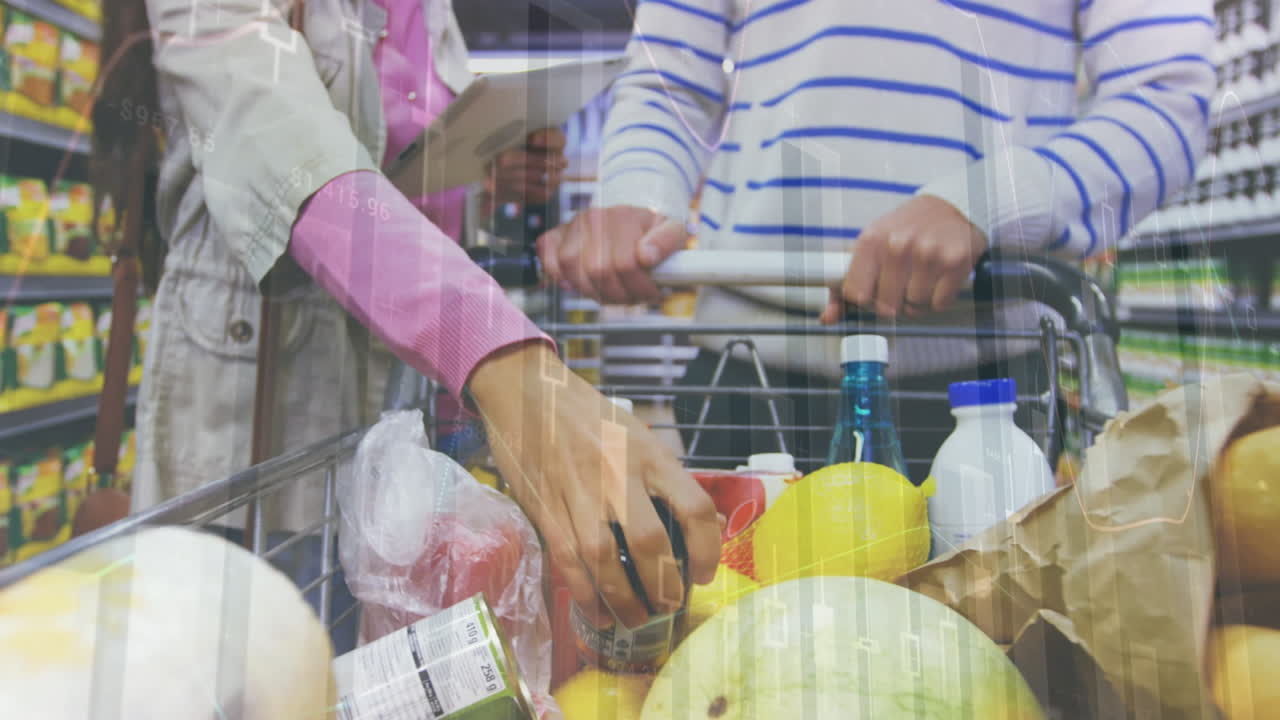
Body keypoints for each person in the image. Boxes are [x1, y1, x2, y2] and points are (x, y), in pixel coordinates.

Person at [92, 0, 720, 652]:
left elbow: (389, 160)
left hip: (400, 424)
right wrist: (501, 357)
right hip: (264, 432)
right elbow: (278, 140)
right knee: (255, 673)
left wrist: (488, 168)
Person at [539, 0, 1215, 475]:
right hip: (747, 376)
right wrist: (634, 199)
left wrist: (986, 202)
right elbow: (666, 80)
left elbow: (1165, 97)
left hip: (989, 389)